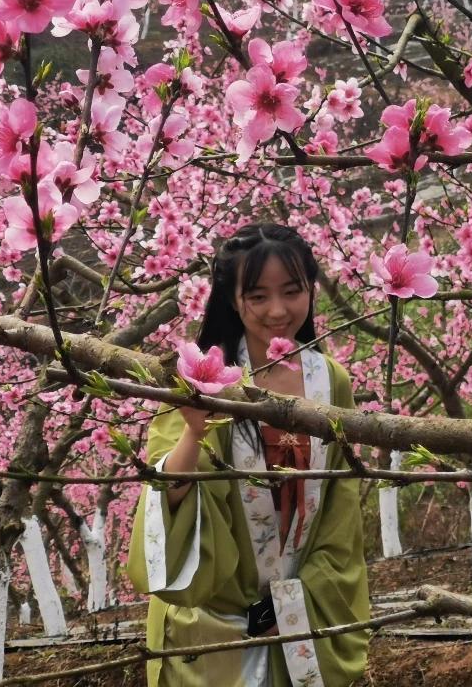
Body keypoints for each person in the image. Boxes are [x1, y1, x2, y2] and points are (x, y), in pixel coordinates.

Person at [126, 222, 370, 686]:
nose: (278, 311)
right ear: (232, 299)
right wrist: (193, 435)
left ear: (311, 290)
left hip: (301, 608)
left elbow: (340, 510)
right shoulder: (204, 374)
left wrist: (297, 601)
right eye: (258, 296)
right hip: (215, 620)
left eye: (292, 291)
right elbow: (169, 496)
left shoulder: (330, 381)